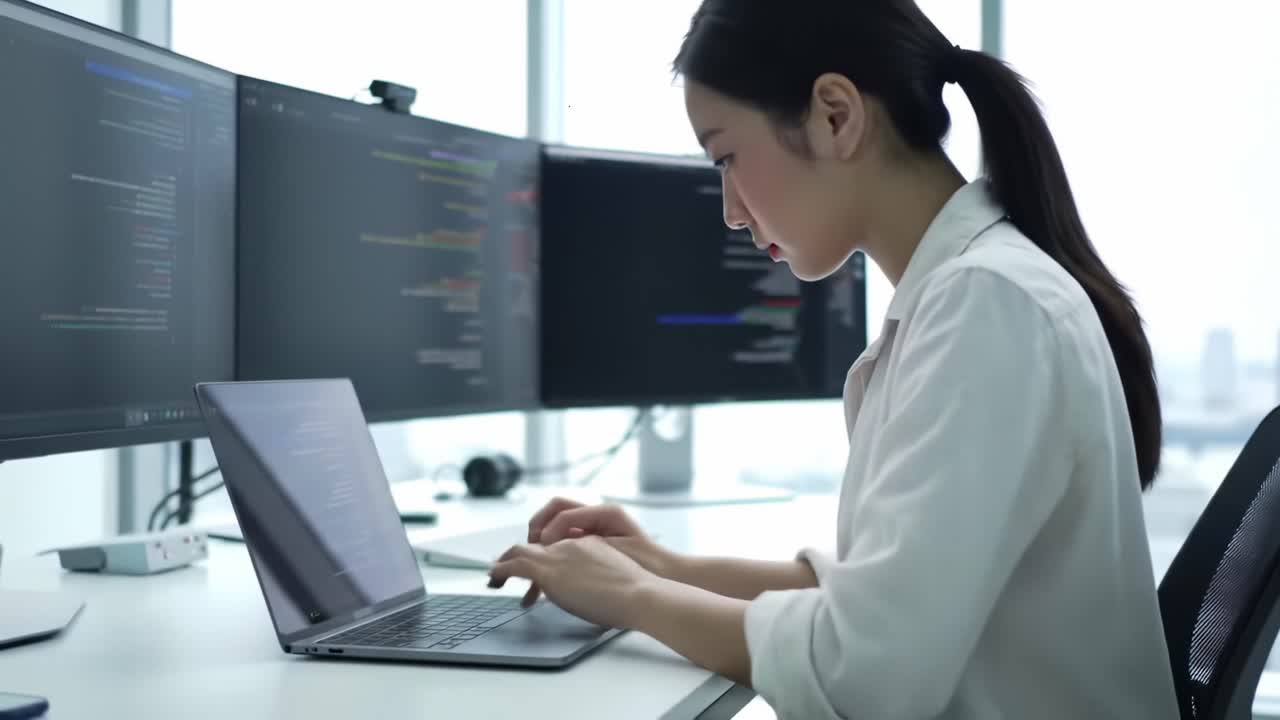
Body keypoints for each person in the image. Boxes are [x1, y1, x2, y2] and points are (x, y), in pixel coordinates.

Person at [487, 1, 1179, 717]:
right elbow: (882, 602)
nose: (729, 208)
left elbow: (867, 667)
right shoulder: (968, 292)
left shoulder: (988, 305)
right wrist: (659, 566)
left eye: (726, 156)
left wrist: (629, 597)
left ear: (836, 116)